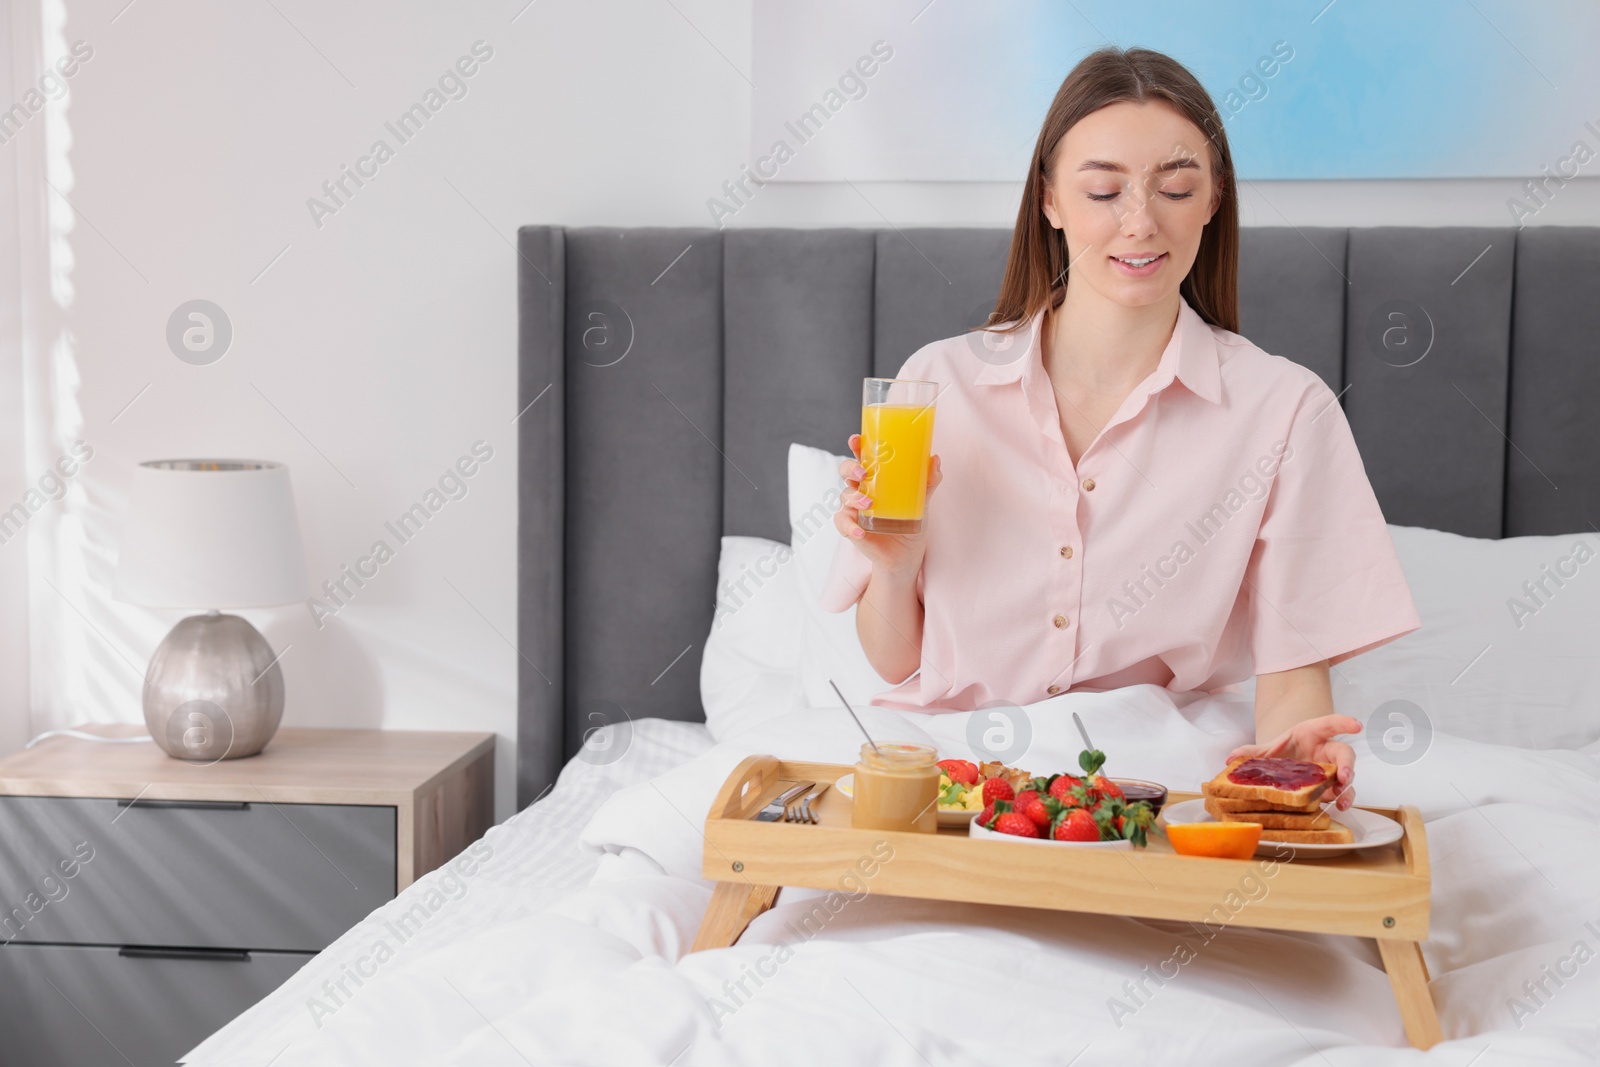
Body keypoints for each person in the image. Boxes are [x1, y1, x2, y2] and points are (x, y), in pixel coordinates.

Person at [821, 46, 1421, 809]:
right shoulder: (937, 384)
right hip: (947, 777)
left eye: (1174, 188)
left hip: (1145, 785)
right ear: (1049, 200)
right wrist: (896, 565)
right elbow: (891, 660)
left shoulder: (1285, 410)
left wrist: (1292, 759)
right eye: (1103, 190)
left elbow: (1294, 672)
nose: (1140, 223)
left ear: (1212, 200)